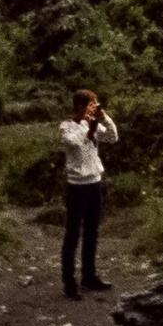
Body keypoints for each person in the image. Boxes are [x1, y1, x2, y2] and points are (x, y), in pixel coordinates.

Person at [60, 88, 119, 299]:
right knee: (73, 234)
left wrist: (103, 118)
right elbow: (73, 143)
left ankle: (89, 275)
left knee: (92, 232)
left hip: (94, 183)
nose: (93, 109)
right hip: (77, 186)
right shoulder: (67, 126)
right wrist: (89, 129)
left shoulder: (90, 123)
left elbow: (113, 137)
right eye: (91, 105)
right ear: (80, 106)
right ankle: (69, 283)